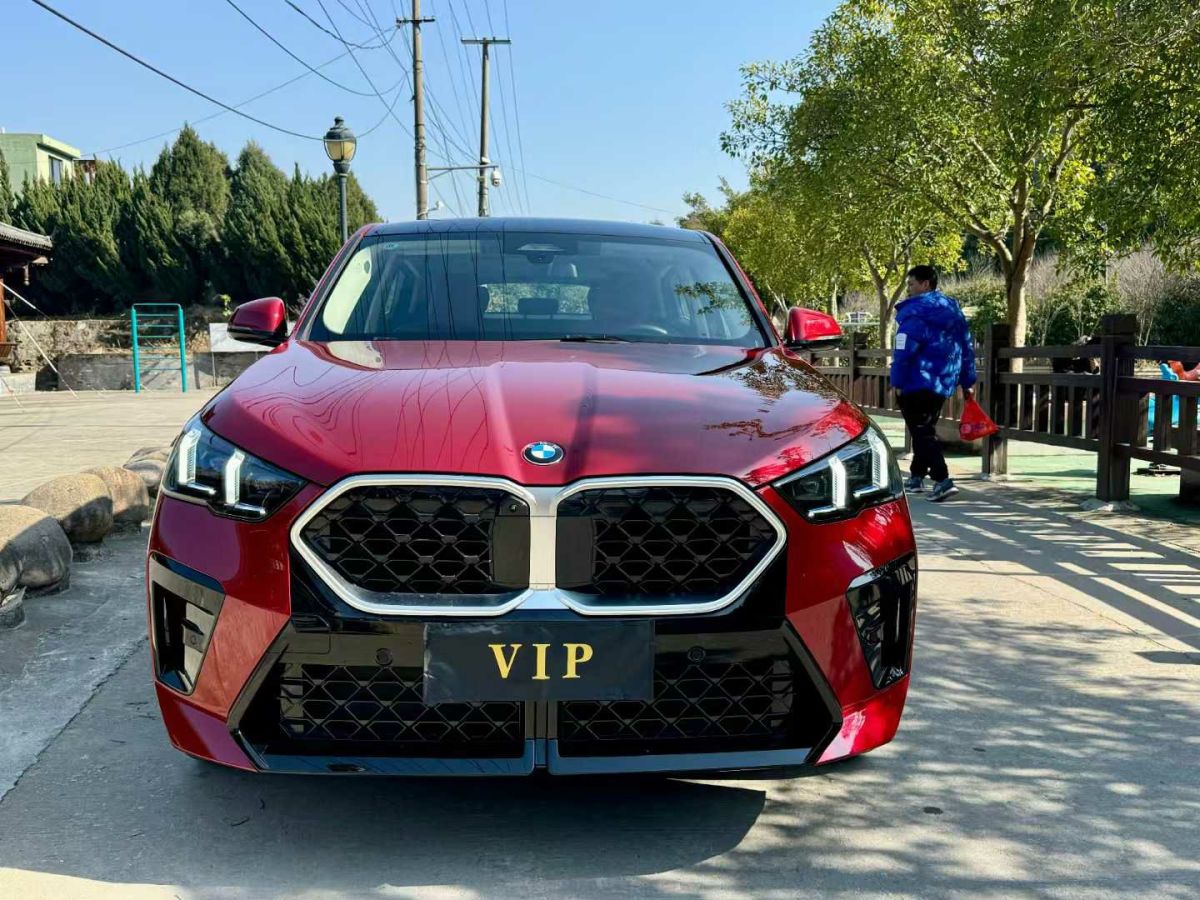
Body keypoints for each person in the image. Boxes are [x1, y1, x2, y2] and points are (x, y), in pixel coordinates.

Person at [890, 265, 977, 502]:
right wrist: (967, 380)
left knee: (922, 431)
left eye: (911, 284)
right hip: (943, 381)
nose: (908, 289)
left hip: (915, 380)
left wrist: (897, 381)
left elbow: (904, 351)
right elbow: (966, 347)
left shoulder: (915, 312)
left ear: (925, 284)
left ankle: (942, 479)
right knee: (925, 429)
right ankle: (917, 476)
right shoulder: (953, 311)